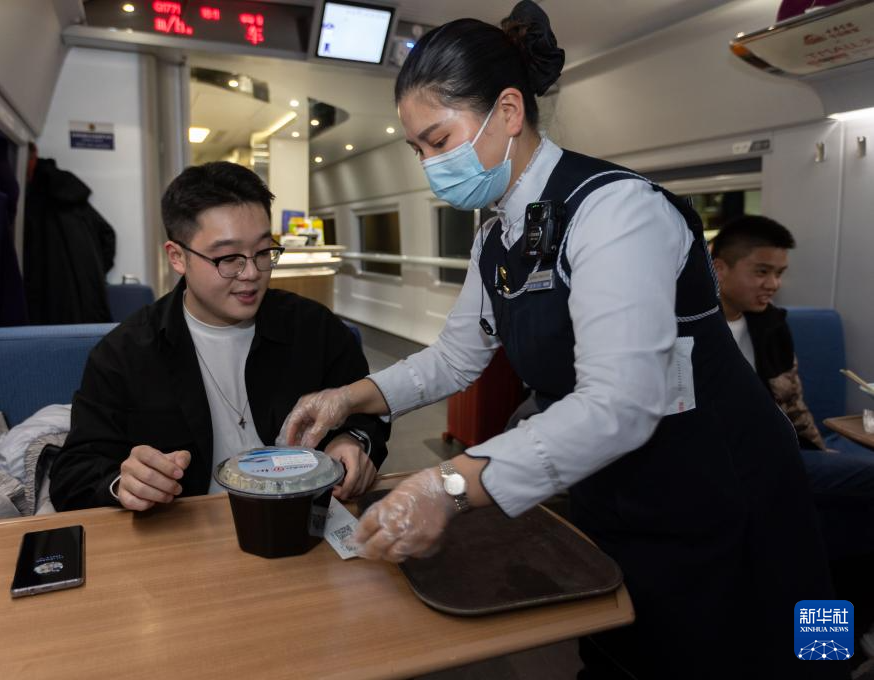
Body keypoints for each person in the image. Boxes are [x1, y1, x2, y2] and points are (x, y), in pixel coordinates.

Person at [279, 3, 843, 678]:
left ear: (509, 112)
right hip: (619, 484)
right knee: (629, 645)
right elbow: (457, 359)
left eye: (438, 139)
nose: (429, 164)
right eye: (418, 149)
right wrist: (349, 397)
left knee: (787, 647)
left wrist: (447, 486)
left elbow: (618, 404)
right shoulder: (498, 236)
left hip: (727, 475)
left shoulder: (617, 211)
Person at [50, 162, 388, 512]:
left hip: (303, 518)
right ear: (177, 256)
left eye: (262, 252)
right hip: (189, 536)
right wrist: (125, 483)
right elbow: (73, 473)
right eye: (228, 258)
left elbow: (369, 412)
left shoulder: (315, 328)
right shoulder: (124, 353)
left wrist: (353, 441)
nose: (252, 274)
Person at [713, 215, 874, 659]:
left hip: (785, 457)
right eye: (761, 271)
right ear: (719, 268)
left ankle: (829, 647)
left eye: (780, 273)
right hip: (725, 464)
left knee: (834, 534)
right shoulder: (686, 330)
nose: (773, 284)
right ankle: (830, 649)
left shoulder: (770, 325)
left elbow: (794, 404)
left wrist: (819, 452)